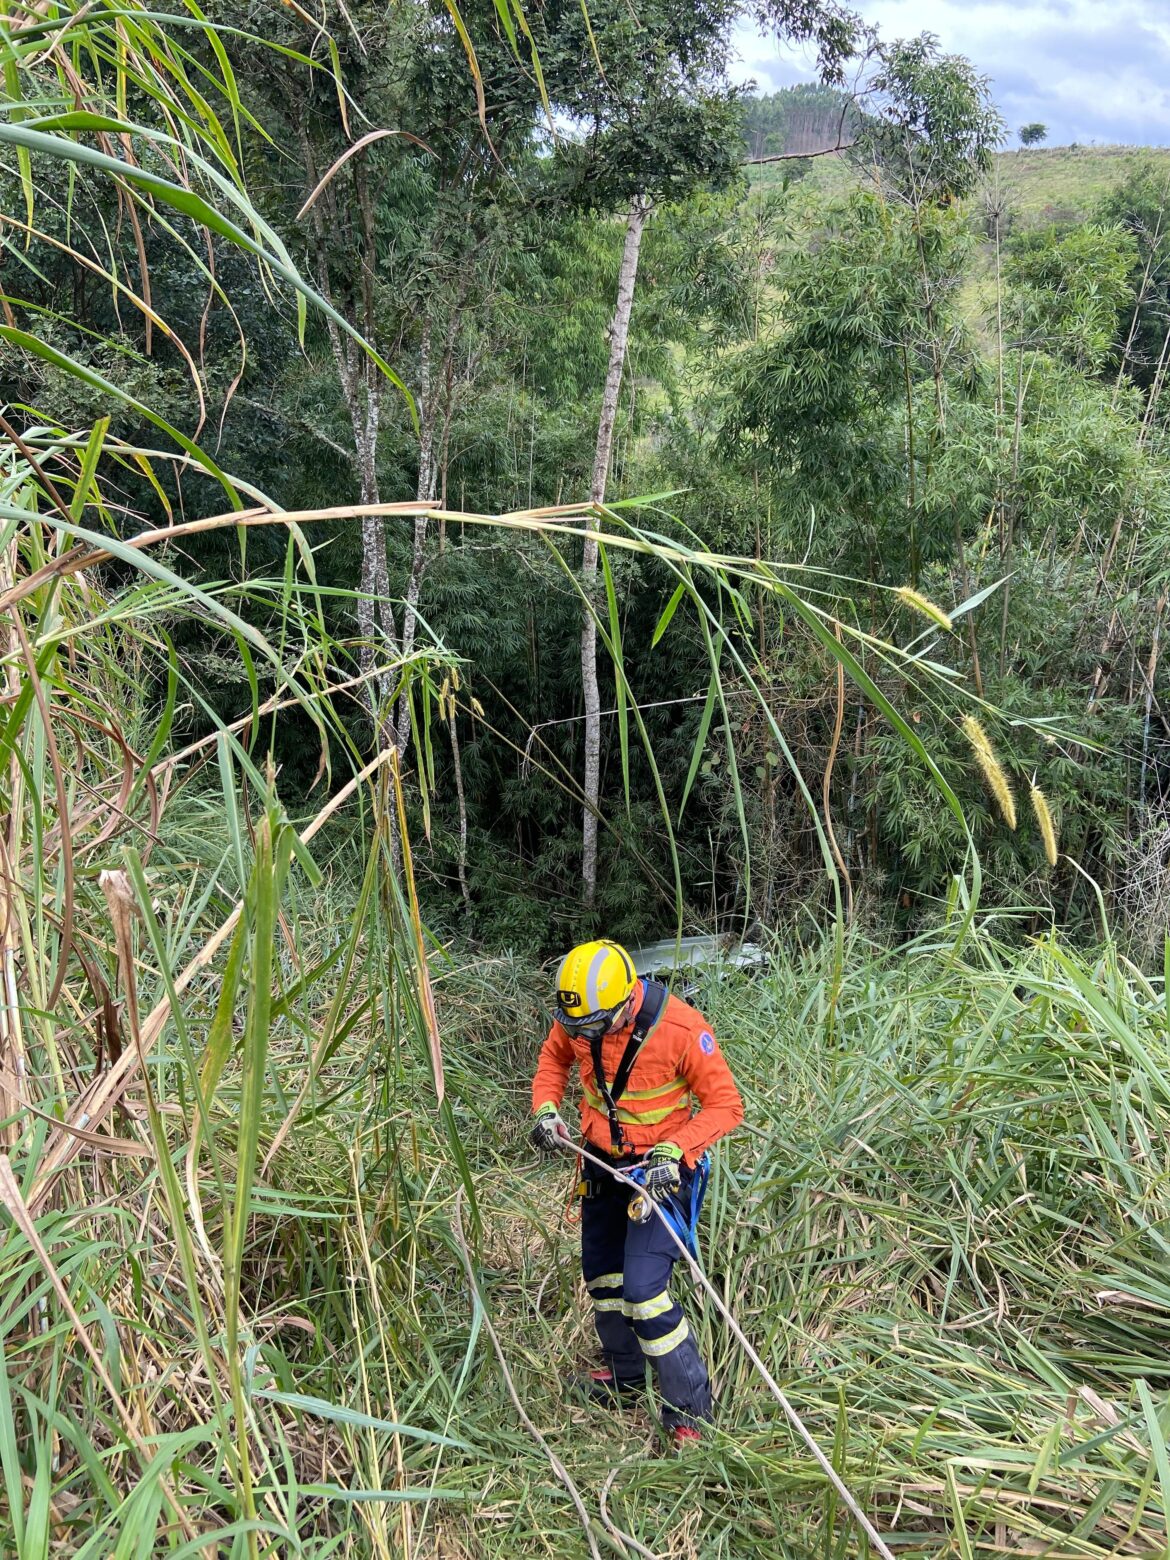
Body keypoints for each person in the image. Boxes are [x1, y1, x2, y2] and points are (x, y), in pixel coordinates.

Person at [530, 937, 743, 1449]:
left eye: (595, 1028)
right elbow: (553, 1060)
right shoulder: (582, 1018)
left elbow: (725, 1106)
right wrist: (546, 1109)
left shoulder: (683, 1031)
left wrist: (677, 1147)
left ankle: (691, 1411)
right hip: (601, 1164)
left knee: (645, 1293)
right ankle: (627, 1380)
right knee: (602, 1278)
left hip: (660, 1171)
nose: (585, 1036)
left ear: (627, 1001)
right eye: (578, 1027)